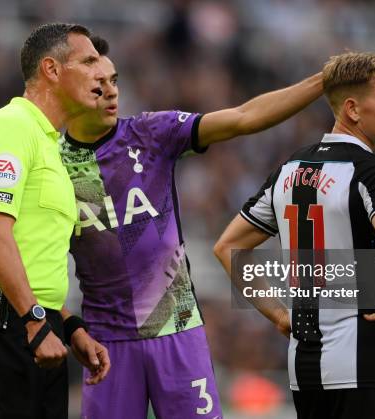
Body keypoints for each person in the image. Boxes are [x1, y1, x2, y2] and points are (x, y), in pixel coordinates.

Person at [59, 36, 323, 418]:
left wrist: (321, 82)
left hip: (177, 329)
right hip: (106, 343)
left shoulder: (150, 133)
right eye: (98, 85)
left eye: (114, 81)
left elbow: (244, 117)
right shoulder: (48, 162)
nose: (111, 92)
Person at [214, 52, 375, 419]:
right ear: (353, 110)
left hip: (305, 369)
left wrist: (278, 315)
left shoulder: (289, 170)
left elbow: (228, 247)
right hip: (368, 364)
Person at [0, 23, 110, 419]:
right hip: (8, 321)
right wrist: (36, 321)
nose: (99, 72)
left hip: (37, 322)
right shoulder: (13, 127)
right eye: (88, 61)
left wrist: (67, 325)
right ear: (52, 70)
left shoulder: (47, 143)